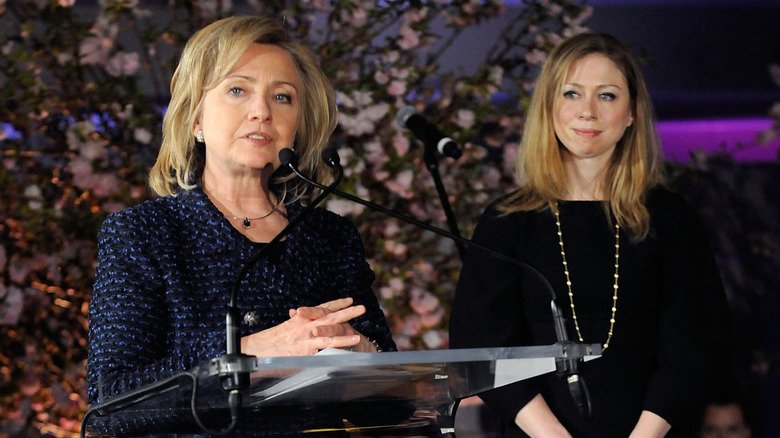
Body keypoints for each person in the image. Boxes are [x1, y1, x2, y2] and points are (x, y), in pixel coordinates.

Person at [87, 15, 395, 436]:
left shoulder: (329, 237)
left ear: (298, 126)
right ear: (195, 119)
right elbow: (111, 403)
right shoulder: (143, 234)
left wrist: (359, 351)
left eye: (283, 97)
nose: (262, 112)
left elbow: (389, 408)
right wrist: (245, 355)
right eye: (237, 90)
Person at [449, 32, 733, 437]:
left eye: (606, 96)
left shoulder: (669, 217)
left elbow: (696, 341)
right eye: (570, 94)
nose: (587, 112)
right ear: (548, 107)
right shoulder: (506, 220)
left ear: (631, 112)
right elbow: (482, 342)